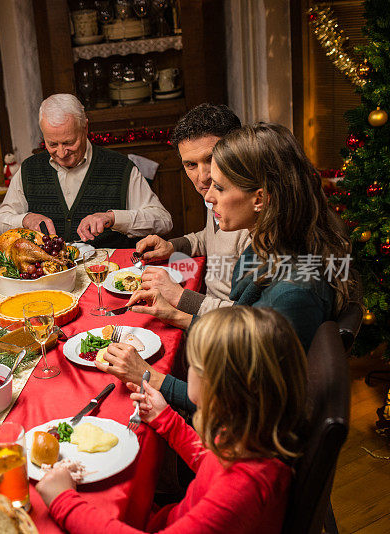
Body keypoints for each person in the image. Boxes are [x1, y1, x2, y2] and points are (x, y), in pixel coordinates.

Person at [100, 124, 353, 411]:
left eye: (220, 187)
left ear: (260, 198)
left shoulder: (293, 293)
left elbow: (245, 406)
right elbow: (244, 333)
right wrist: (175, 315)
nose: (208, 197)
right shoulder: (267, 244)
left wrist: (150, 378)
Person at [36, 307, 307, 534]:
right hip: (173, 517)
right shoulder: (247, 432)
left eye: (195, 366)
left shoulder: (239, 492)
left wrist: (63, 501)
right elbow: (209, 464)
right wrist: (164, 417)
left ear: (219, 388)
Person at [0, 94, 172, 247]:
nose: (62, 153)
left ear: (85, 128)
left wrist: (112, 218)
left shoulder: (119, 167)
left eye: (69, 143)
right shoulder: (29, 169)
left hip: (108, 272)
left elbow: (163, 220)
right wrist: (25, 220)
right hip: (48, 276)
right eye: (52, 144)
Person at [134, 104, 250, 315]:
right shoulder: (216, 195)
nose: (203, 176)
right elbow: (212, 238)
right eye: (191, 165)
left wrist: (179, 298)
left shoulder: (251, 220)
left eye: (210, 159)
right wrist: (171, 247)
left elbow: (248, 318)